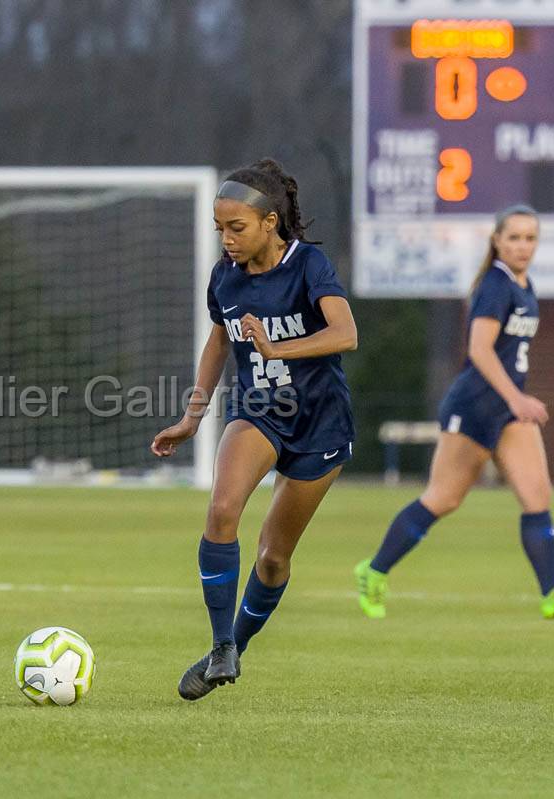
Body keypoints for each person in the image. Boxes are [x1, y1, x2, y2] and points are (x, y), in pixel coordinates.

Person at [151, 159, 358, 701]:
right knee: (222, 510)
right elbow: (219, 342)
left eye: (236, 227)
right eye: (220, 228)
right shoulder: (225, 277)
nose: (227, 239)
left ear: (270, 221)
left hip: (321, 423)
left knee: (273, 557)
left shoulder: (309, 264)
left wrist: (275, 347)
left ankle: (232, 649)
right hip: (259, 409)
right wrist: (192, 418)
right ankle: (221, 645)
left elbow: (345, 333)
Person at [354, 205, 554, 620]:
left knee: (537, 497)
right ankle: (373, 570)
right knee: (444, 498)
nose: (523, 246)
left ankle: (553, 592)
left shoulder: (524, 284)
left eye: (530, 238)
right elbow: (479, 350)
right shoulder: (496, 285)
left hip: (505, 410)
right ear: (497, 241)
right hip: (474, 406)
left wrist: (514, 403)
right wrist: (517, 399)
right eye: (515, 238)